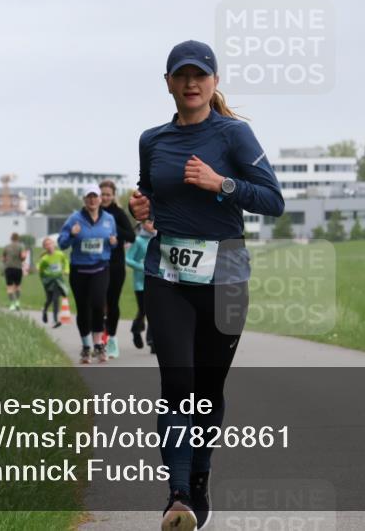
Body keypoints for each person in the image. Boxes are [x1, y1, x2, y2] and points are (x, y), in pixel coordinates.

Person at [129, 40, 284, 530]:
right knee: (178, 384)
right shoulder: (152, 140)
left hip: (227, 276)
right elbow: (150, 194)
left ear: (214, 82)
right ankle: (177, 495)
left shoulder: (234, 135)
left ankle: (199, 477)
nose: (191, 83)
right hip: (167, 276)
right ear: (169, 83)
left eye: (200, 75)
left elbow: (274, 201)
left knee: (208, 390)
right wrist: (141, 208)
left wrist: (222, 184)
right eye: (181, 75)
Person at [58, 184, 118, 364]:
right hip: (79, 270)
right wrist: (71, 234)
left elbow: (113, 242)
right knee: (83, 309)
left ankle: (98, 344)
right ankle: (86, 347)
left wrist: (114, 242)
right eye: (89, 197)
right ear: (84, 200)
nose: (92, 200)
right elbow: (62, 244)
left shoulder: (109, 219)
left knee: (98, 304)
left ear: (100, 199)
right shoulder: (74, 219)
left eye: (95, 196)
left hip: (101, 268)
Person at [101, 179, 137, 359]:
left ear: (113, 196)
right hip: (96, 264)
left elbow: (132, 236)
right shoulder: (93, 212)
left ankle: (112, 339)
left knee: (112, 302)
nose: (105, 197)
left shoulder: (118, 213)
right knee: (97, 302)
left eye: (108, 194)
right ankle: (100, 337)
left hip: (115, 264)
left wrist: (114, 229)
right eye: (102, 194)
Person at [126, 219, 157, 352]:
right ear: (143, 224)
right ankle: (136, 329)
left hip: (156, 281)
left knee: (155, 312)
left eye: (154, 221)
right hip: (140, 284)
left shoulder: (158, 239)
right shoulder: (138, 240)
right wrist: (142, 267)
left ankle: (152, 341)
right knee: (144, 310)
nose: (152, 224)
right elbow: (128, 259)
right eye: (149, 222)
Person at [37, 237, 70, 327]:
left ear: (54, 245)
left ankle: (55, 320)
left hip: (58, 280)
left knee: (56, 299)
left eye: (50, 243)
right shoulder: (44, 259)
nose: (49, 246)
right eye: (47, 245)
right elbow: (40, 270)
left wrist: (66, 269)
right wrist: (44, 280)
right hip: (48, 281)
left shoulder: (60, 254)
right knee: (49, 299)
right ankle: (44, 310)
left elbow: (65, 261)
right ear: (44, 247)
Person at [3, 232, 27, 311]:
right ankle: (17, 302)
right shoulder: (21, 246)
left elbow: (3, 258)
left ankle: (12, 304)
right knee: (17, 286)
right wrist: (22, 259)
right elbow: (23, 256)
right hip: (18, 268)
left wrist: (7, 261)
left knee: (9, 287)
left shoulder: (6, 247)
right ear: (18, 238)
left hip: (8, 268)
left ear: (11, 238)